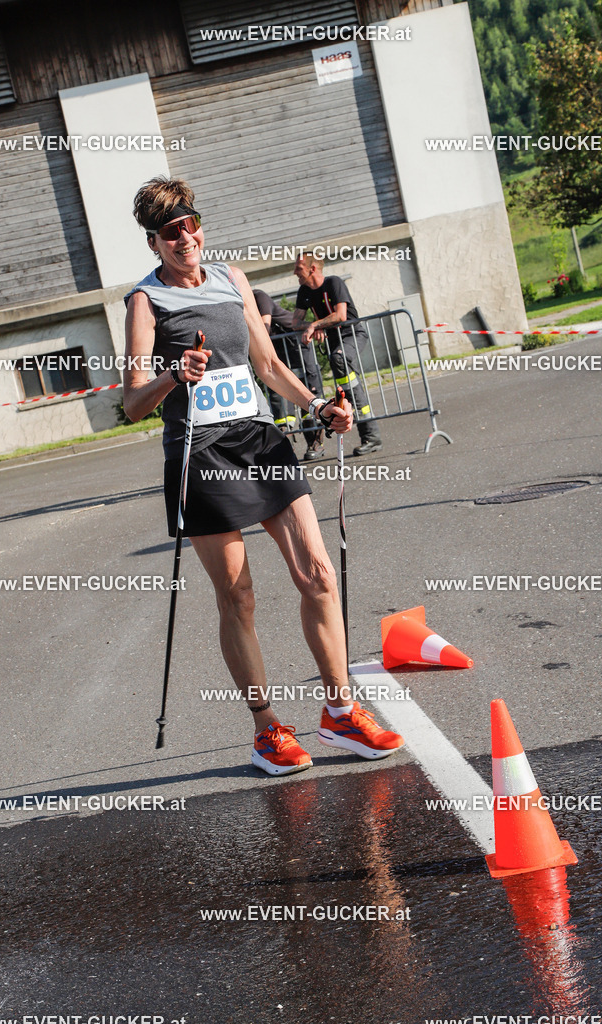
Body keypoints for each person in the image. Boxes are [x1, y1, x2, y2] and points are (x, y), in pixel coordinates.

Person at [123, 176, 403, 775]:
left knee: (320, 575)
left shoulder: (231, 280)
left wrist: (317, 405)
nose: (186, 238)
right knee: (239, 596)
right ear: (154, 243)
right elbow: (132, 402)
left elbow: (269, 363)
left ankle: (340, 712)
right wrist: (175, 374)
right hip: (200, 456)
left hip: (259, 440)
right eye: (172, 233)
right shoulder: (145, 301)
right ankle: (266, 729)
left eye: (192, 224)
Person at [293, 252, 383, 456]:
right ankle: (369, 436)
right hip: (335, 343)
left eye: (298, 268)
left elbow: (341, 315)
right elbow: (295, 322)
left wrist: (315, 324)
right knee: (345, 387)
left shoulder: (334, 283)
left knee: (343, 367)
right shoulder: (304, 291)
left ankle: (371, 435)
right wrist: (312, 326)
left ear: (312, 268)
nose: (294, 272)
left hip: (352, 335)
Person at [252, 288, 324, 460]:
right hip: (278, 349)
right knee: (279, 398)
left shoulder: (258, 296)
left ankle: (316, 443)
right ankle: (286, 449)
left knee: (305, 390)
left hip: (296, 343)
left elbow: (264, 329)